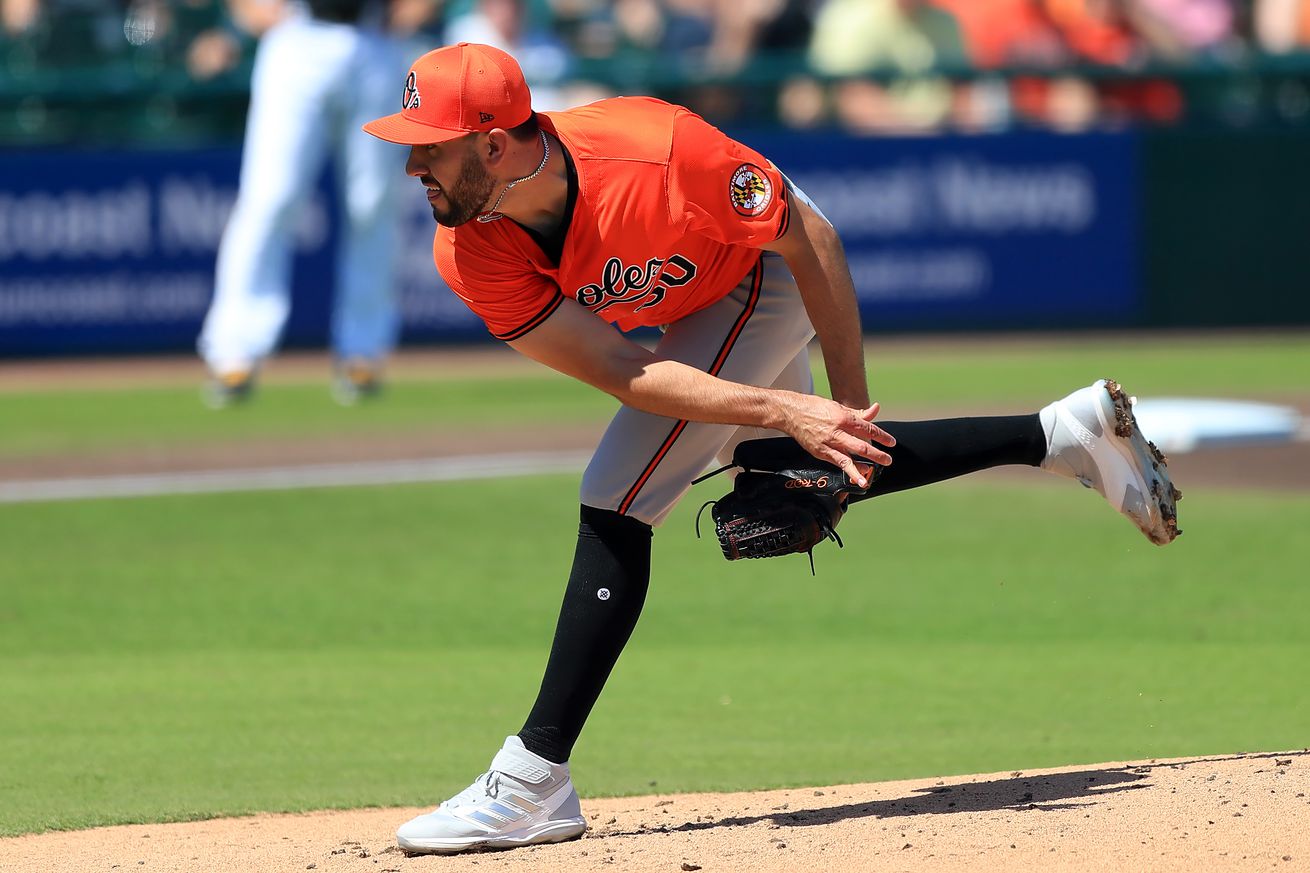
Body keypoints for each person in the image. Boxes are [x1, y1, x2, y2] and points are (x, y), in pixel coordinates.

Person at [361, 42, 1181, 855]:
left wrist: (843, 406)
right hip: (698, 310)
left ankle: (533, 775)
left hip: (767, 268)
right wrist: (791, 416)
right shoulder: (471, 247)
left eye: (429, 146)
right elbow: (623, 368)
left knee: (618, 494)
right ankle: (1063, 434)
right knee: (769, 468)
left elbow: (811, 237)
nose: (412, 168)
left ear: (494, 143)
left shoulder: (657, 150)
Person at [198, 0, 434, 407]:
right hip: (299, 35)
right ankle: (235, 349)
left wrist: (410, 13)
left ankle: (363, 350)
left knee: (372, 203)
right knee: (271, 196)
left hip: (372, 34)